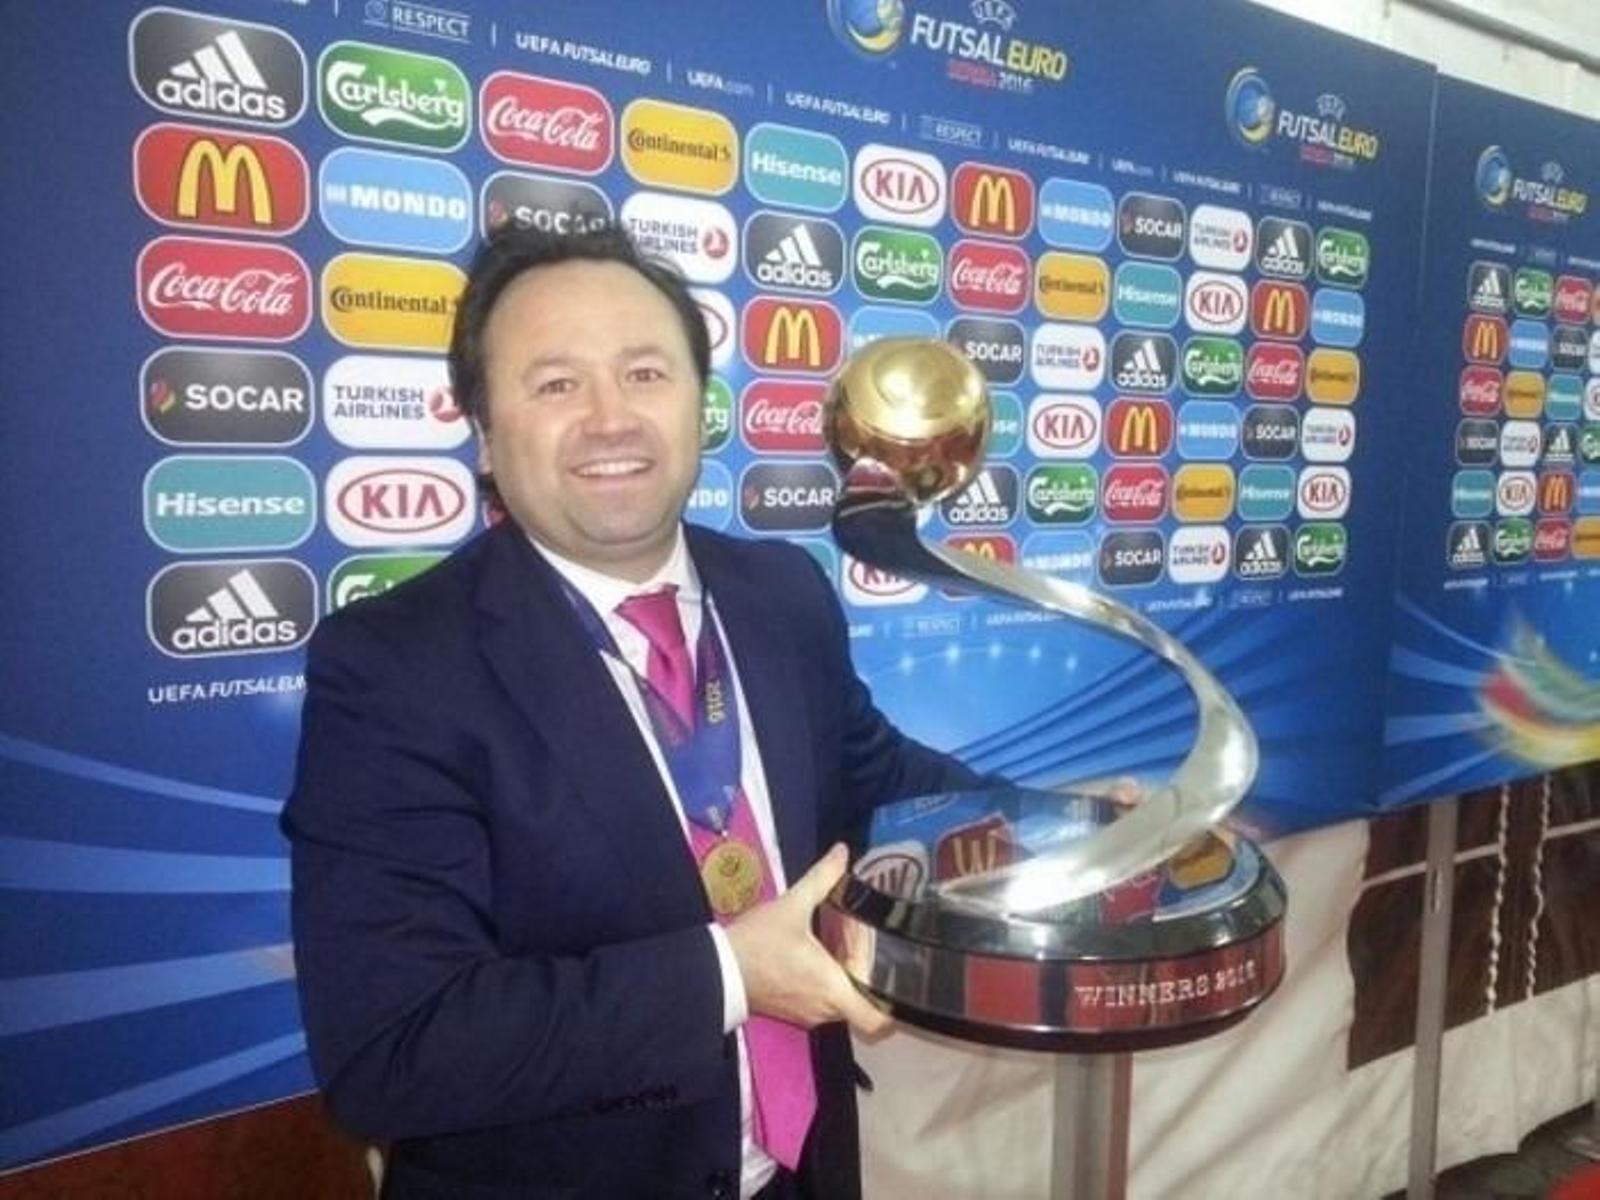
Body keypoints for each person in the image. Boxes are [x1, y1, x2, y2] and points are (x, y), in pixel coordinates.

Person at [283, 223, 986, 1200]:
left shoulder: (782, 593)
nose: (610, 419)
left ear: (700, 405)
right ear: (483, 431)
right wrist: (731, 976)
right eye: (555, 384)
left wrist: (1079, 827)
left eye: (646, 374)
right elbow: (393, 1048)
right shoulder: (396, 666)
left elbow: (881, 783)